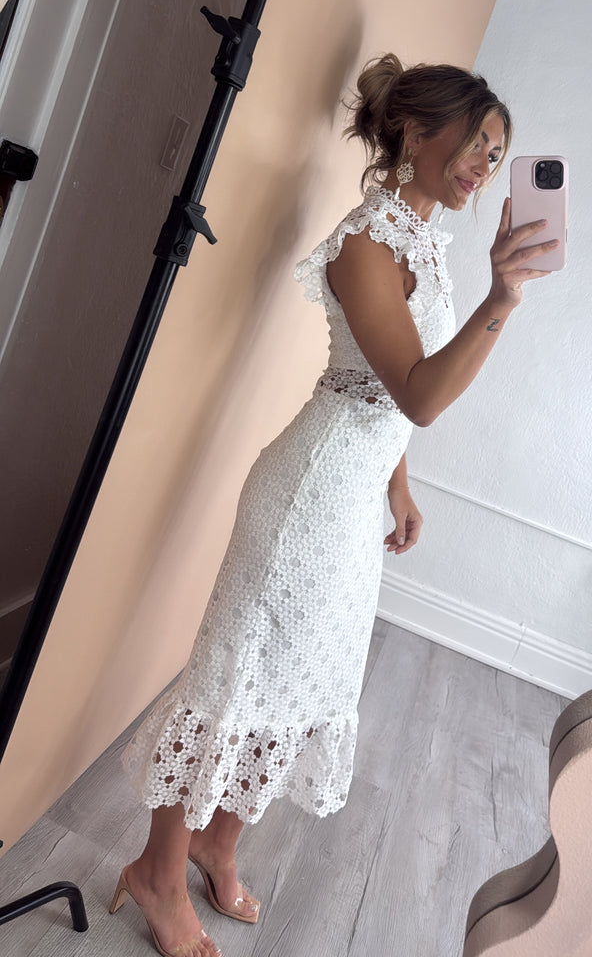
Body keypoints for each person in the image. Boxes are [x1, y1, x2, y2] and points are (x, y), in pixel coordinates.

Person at [110, 53, 558, 957]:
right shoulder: (366, 242)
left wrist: (399, 483)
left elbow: (382, 386)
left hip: (353, 500)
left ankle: (217, 844)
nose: (484, 164)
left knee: (304, 681)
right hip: (306, 499)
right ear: (416, 133)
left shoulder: (423, 239)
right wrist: (502, 299)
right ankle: (157, 872)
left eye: (497, 151)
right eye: (476, 141)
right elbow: (418, 392)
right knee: (236, 680)